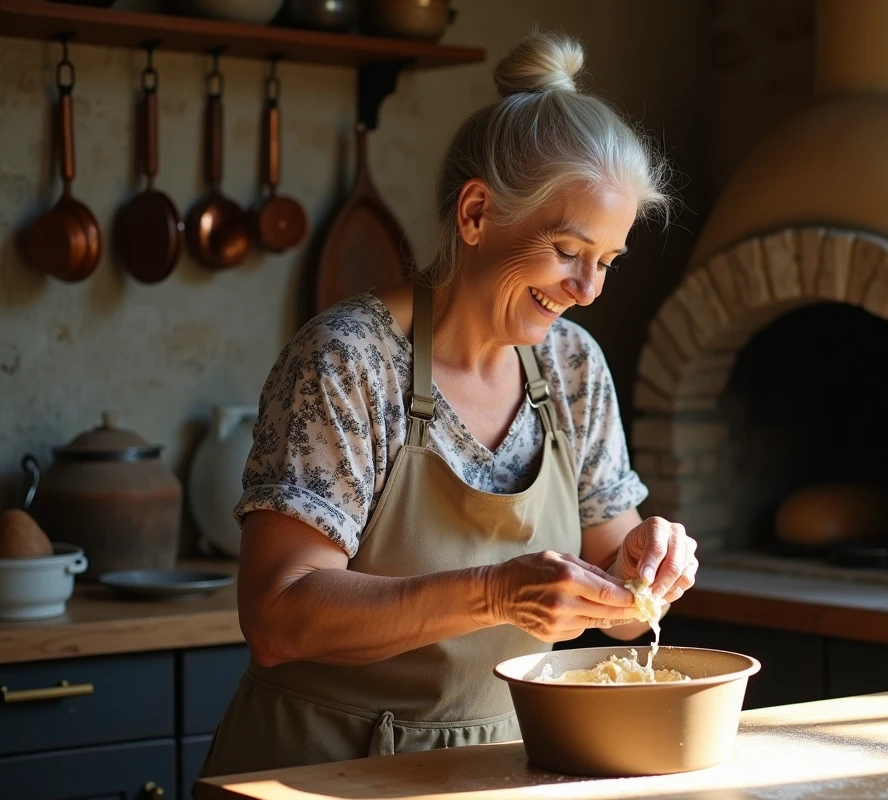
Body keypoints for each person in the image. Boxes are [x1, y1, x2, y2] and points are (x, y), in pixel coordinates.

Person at [198, 30, 698, 778]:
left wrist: (644, 572)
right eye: (568, 250)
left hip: (511, 762)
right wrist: (497, 592)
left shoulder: (573, 367)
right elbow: (277, 616)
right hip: (322, 772)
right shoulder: (350, 360)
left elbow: (616, 594)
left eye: (606, 262)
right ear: (475, 215)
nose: (588, 289)